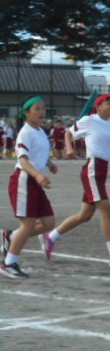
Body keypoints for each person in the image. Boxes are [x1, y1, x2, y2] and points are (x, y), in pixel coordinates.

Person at [39, 94, 110, 267]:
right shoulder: (89, 120)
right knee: (107, 212)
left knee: (85, 215)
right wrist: (69, 148)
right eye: (108, 103)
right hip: (93, 169)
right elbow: (69, 133)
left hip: (102, 169)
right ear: (98, 107)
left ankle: (50, 237)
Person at [1, 96, 58, 279]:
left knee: (49, 223)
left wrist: (49, 164)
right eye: (37, 108)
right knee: (28, 224)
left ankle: (11, 236)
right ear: (26, 113)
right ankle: (8, 263)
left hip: (34, 182)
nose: (42, 112)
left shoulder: (40, 131)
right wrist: (38, 175)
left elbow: (38, 153)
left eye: (43, 108)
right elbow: (23, 160)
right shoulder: (25, 133)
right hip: (24, 180)